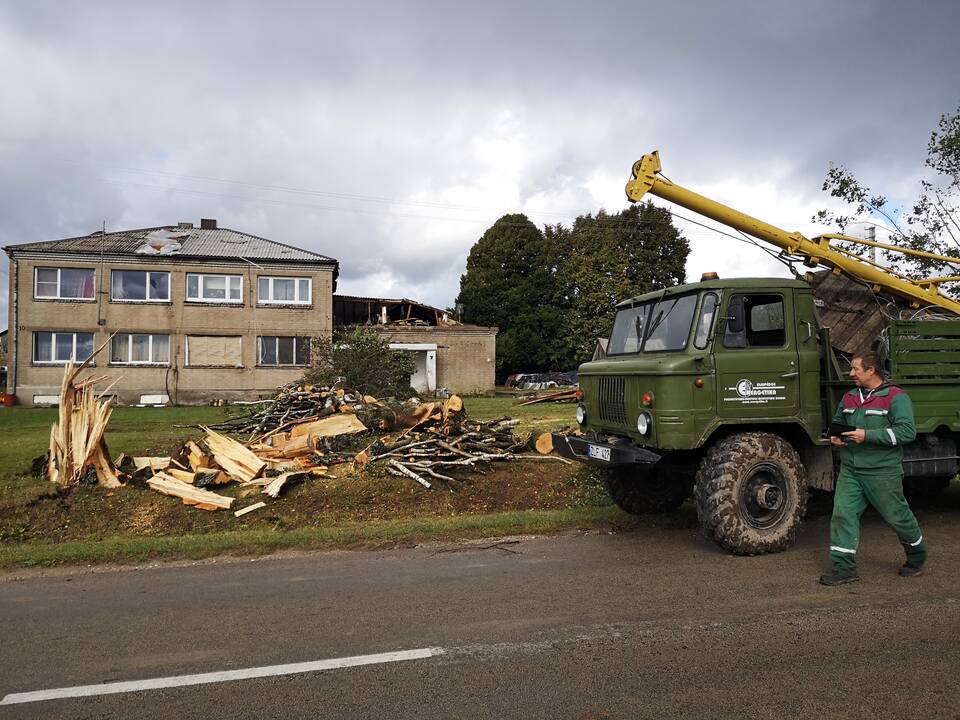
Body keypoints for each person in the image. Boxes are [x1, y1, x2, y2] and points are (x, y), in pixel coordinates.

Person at [819, 351, 928, 586]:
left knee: (896, 518)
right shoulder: (849, 397)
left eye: (856, 369)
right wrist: (835, 438)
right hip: (851, 470)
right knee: (842, 515)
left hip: (882, 472)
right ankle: (844, 569)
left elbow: (907, 432)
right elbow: (838, 423)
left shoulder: (896, 397)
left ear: (871, 371)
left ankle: (917, 557)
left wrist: (867, 435)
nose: (851, 373)